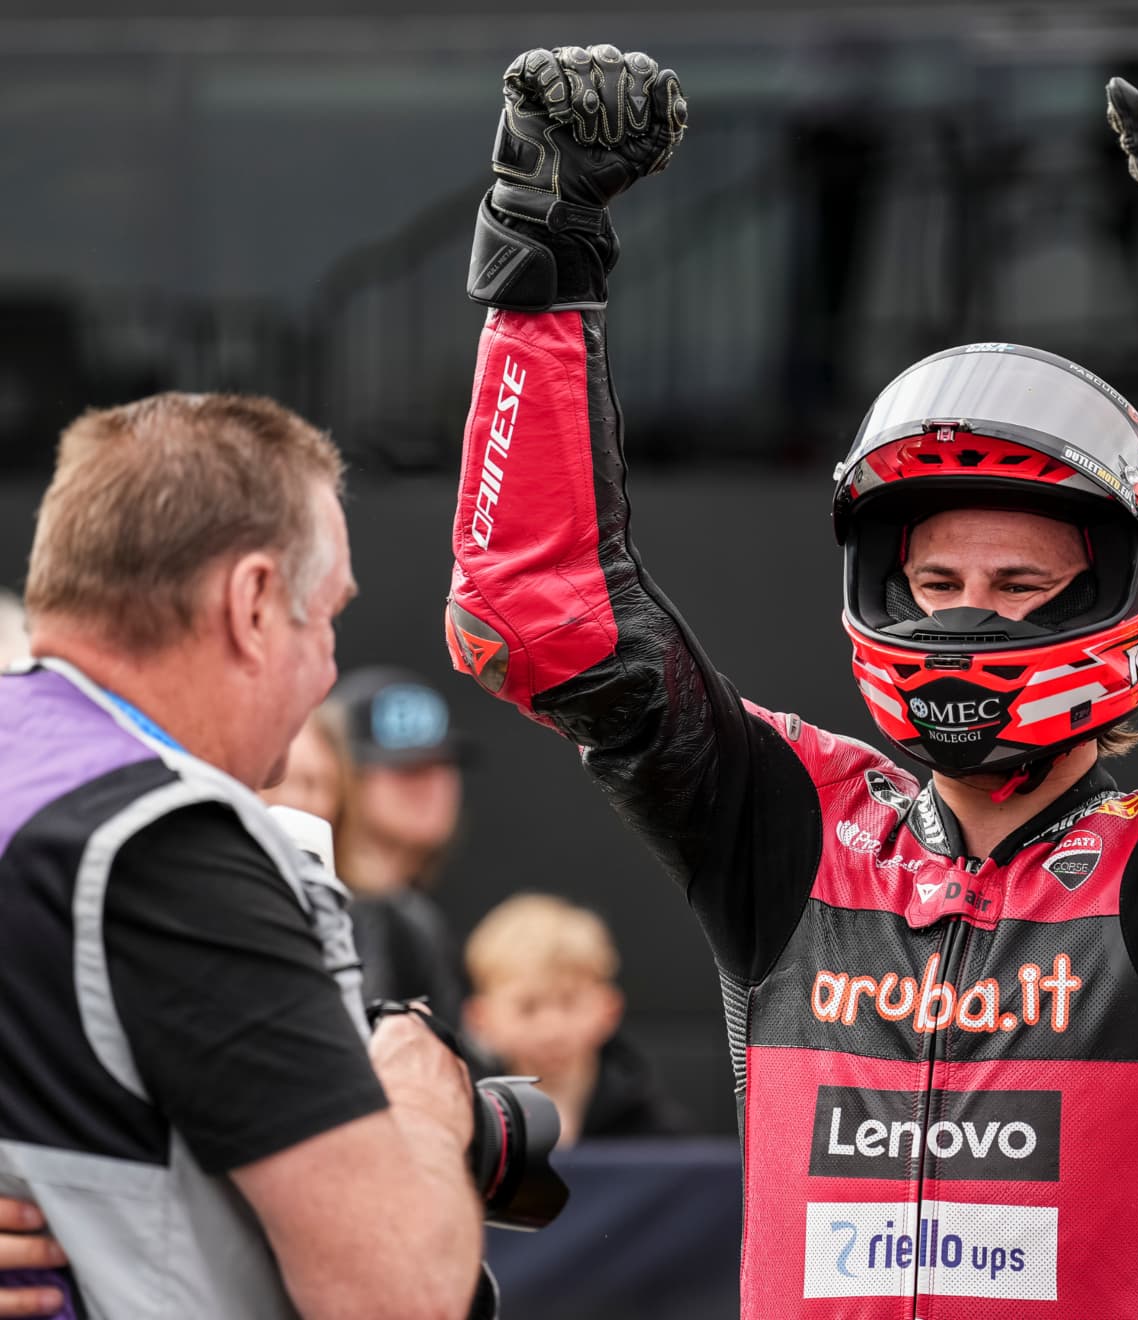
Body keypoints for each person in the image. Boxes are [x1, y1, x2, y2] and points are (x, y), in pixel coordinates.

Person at [444, 44, 1138, 1317]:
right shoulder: (793, 824)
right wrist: (541, 253)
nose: (969, 622)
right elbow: (539, 617)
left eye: (1019, 588)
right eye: (940, 586)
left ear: (1121, 598)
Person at [0, 393, 484, 1317]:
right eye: (328, 616)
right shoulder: (167, 845)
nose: (330, 667)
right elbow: (403, 1295)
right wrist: (421, 1100)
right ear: (254, 602)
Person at [462, 893, 688, 1144]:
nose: (552, 1029)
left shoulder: (654, 1125)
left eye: (569, 1002)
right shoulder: (468, 1122)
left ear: (609, 1009)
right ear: (480, 1019)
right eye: (528, 1008)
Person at [324, 667, 472, 1025]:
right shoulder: (328, 908)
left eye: (442, 763)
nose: (432, 785)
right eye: (405, 768)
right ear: (344, 776)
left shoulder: (416, 912)